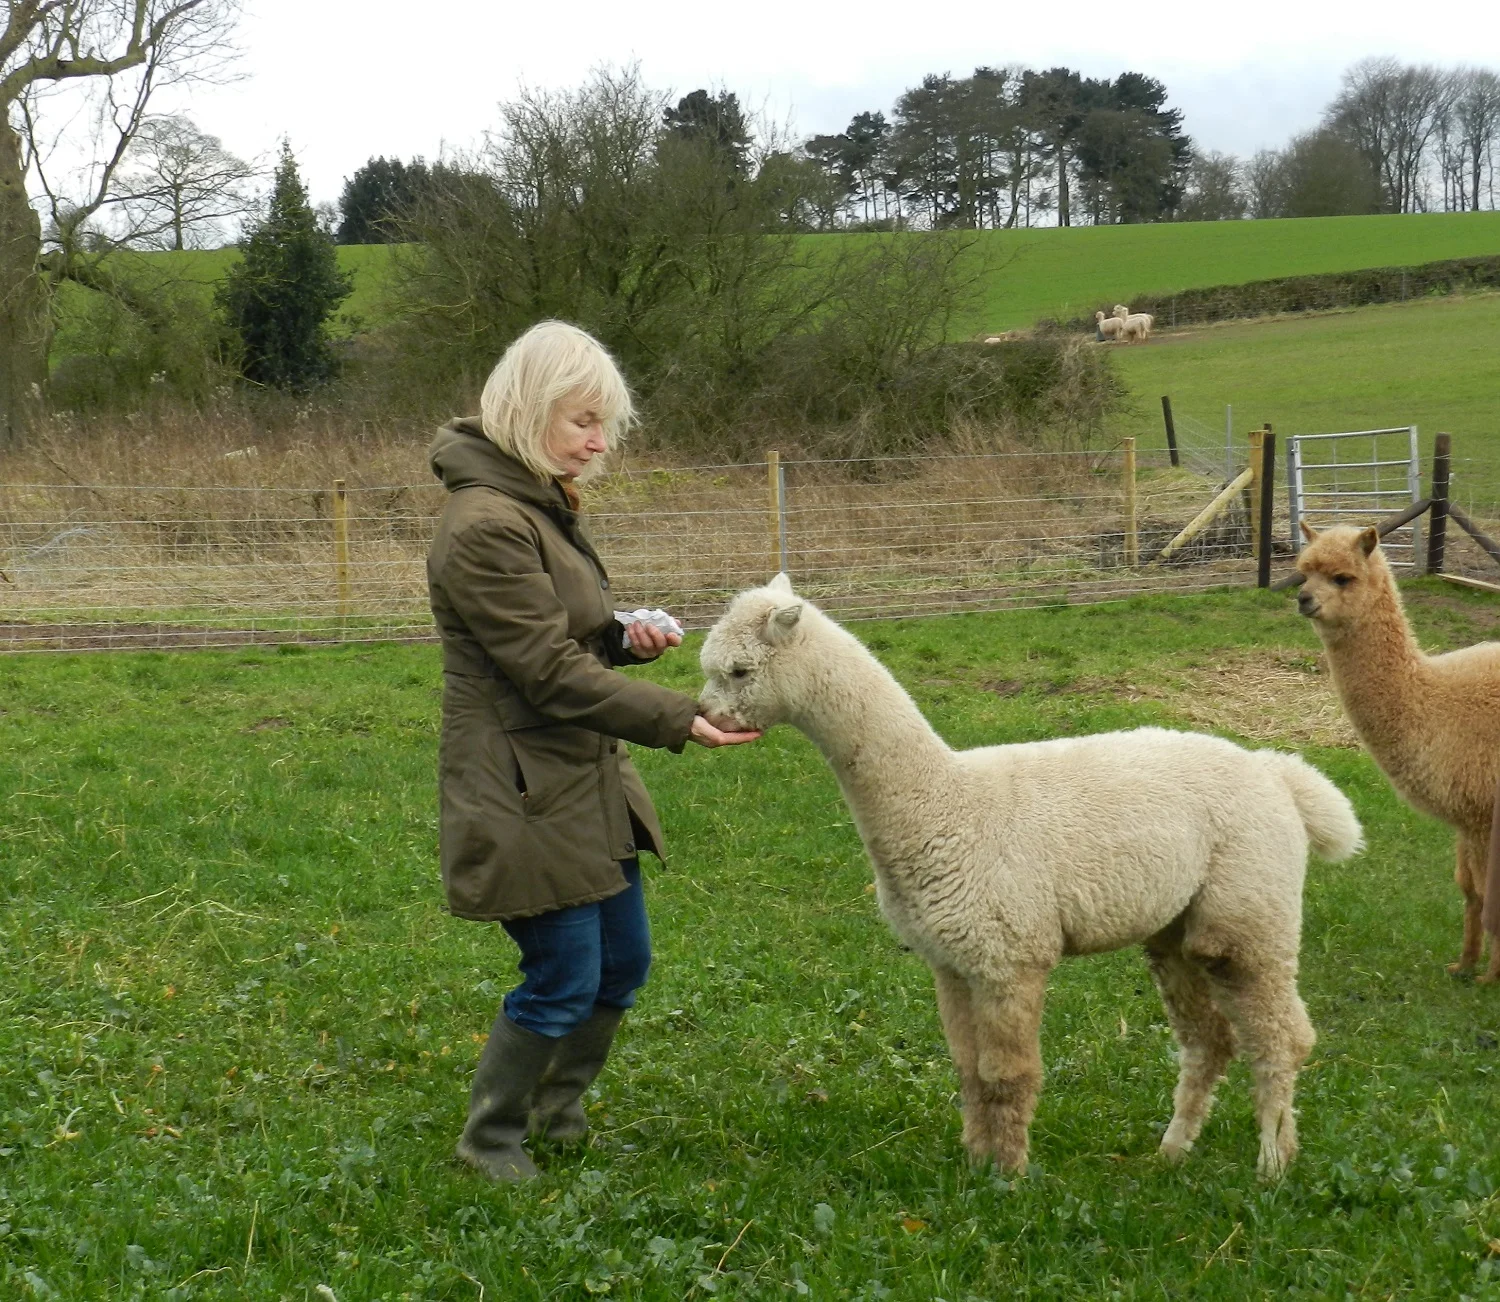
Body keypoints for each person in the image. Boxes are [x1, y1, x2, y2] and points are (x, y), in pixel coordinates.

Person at [426, 319, 759, 1182]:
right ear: (529, 408)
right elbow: (540, 670)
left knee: (623, 963)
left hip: (581, 776)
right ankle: (489, 1141)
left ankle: (556, 1113)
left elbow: (563, 642)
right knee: (563, 975)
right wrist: (675, 714)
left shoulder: (537, 502)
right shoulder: (486, 525)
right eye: (583, 421)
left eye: (602, 423)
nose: (599, 442)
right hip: (523, 786)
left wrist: (620, 637)